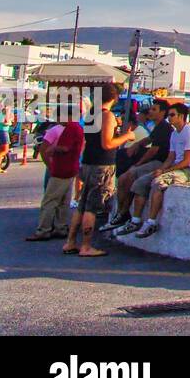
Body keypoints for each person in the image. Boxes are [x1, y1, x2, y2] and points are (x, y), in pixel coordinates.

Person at [64, 84, 134, 258]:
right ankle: (86, 246)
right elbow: (107, 144)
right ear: (114, 98)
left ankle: (71, 241)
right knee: (92, 207)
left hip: (88, 162)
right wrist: (127, 136)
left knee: (82, 204)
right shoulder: (107, 115)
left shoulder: (91, 115)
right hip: (102, 165)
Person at [131, 103, 190, 239]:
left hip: (189, 171)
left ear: (181, 116)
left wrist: (165, 172)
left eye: (172, 115)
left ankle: (151, 222)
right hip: (176, 168)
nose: (169, 118)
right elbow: (171, 157)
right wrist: (161, 169)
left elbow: (187, 161)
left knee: (159, 183)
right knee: (141, 182)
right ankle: (135, 220)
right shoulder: (174, 134)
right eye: (168, 115)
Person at [105, 100, 172, 234]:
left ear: (163, 112)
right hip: (152, 162)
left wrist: (138, 164)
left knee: (130, 176)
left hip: (159, 162)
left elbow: (153, 150)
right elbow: (148, 140)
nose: (150, 112)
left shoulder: (164, 127)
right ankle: (121, 212)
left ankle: (125, 213)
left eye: (154, 109)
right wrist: (137, 145)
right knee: (123, 178)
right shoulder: (157, 127)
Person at [28, 105, 83, 241]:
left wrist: (53, 150)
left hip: (61, 168)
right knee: (64, 200)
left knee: (50, 200)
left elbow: (64, 148)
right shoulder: (77, 128)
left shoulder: (69, 129)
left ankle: (43, 229)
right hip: (71, 167)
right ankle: (61, 227)